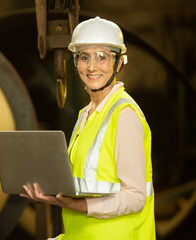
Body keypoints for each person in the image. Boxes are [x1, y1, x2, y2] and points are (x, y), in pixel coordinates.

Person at [20, 16, 155, 239]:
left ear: (119, 63)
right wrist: (50, 192)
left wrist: (76, 205)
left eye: (102, 57)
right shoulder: (86, 115)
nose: (92, 66)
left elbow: (135, 198)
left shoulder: (124, 115)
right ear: (76, 63)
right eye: (84, 57)